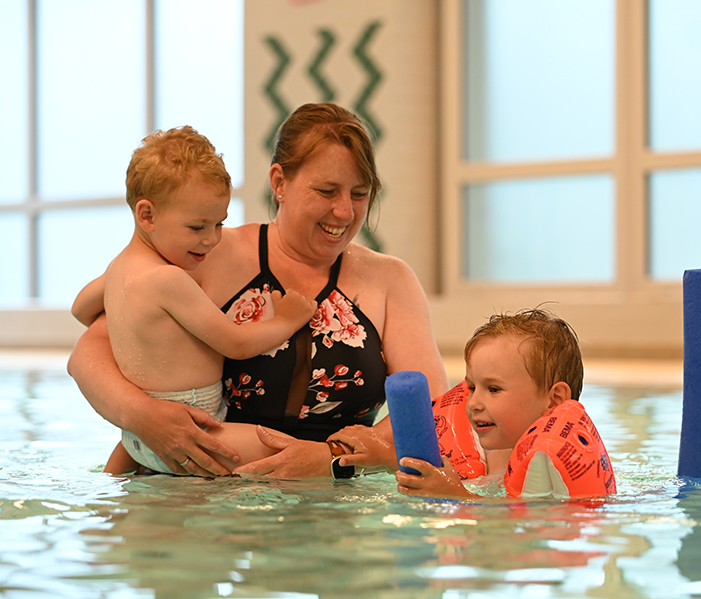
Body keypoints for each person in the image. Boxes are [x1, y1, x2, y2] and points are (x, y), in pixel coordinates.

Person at [67, 103, 449, 478]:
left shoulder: (390, 280)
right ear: (279, 183)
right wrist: (142, 417)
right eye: (327, 191)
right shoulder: (207, 254)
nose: (345, 212)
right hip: (209, 487)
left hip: (340, 495)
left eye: (360, 193)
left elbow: (430, 410)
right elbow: (90, 352)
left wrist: (332, 459)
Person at [72, 125, 317, 474]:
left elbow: (80, 309)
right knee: (287, 454)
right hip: (191, 424)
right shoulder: (169, 279)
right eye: (198, 227)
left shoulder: (118, 269)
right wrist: (287, 319)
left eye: (219, 224)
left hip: (135, 435)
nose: (212, 239)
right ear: (147, 215)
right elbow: (235, 343)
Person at [391, 308, 585, 499]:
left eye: (493, 389)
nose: (474, 402)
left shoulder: (557, 463)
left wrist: (457, 495)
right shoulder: (503, 451)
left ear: (555, 399)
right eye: (472, 388)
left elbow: (519, 521)